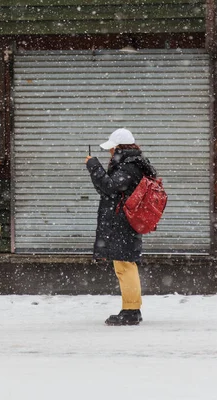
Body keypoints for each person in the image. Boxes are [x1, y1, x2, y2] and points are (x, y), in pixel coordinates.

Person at [85, 128, 156, 326]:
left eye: (112, 149)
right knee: (123, 265)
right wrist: (96, 169)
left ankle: (131, 311)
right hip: (122, 220)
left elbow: (110, 187)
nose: (110, 153)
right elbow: (107, 190)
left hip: (123, 222)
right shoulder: (128, 164)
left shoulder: (129, 167)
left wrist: (94, 166)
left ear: (119, 148)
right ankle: (132, 307)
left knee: (125, 266)